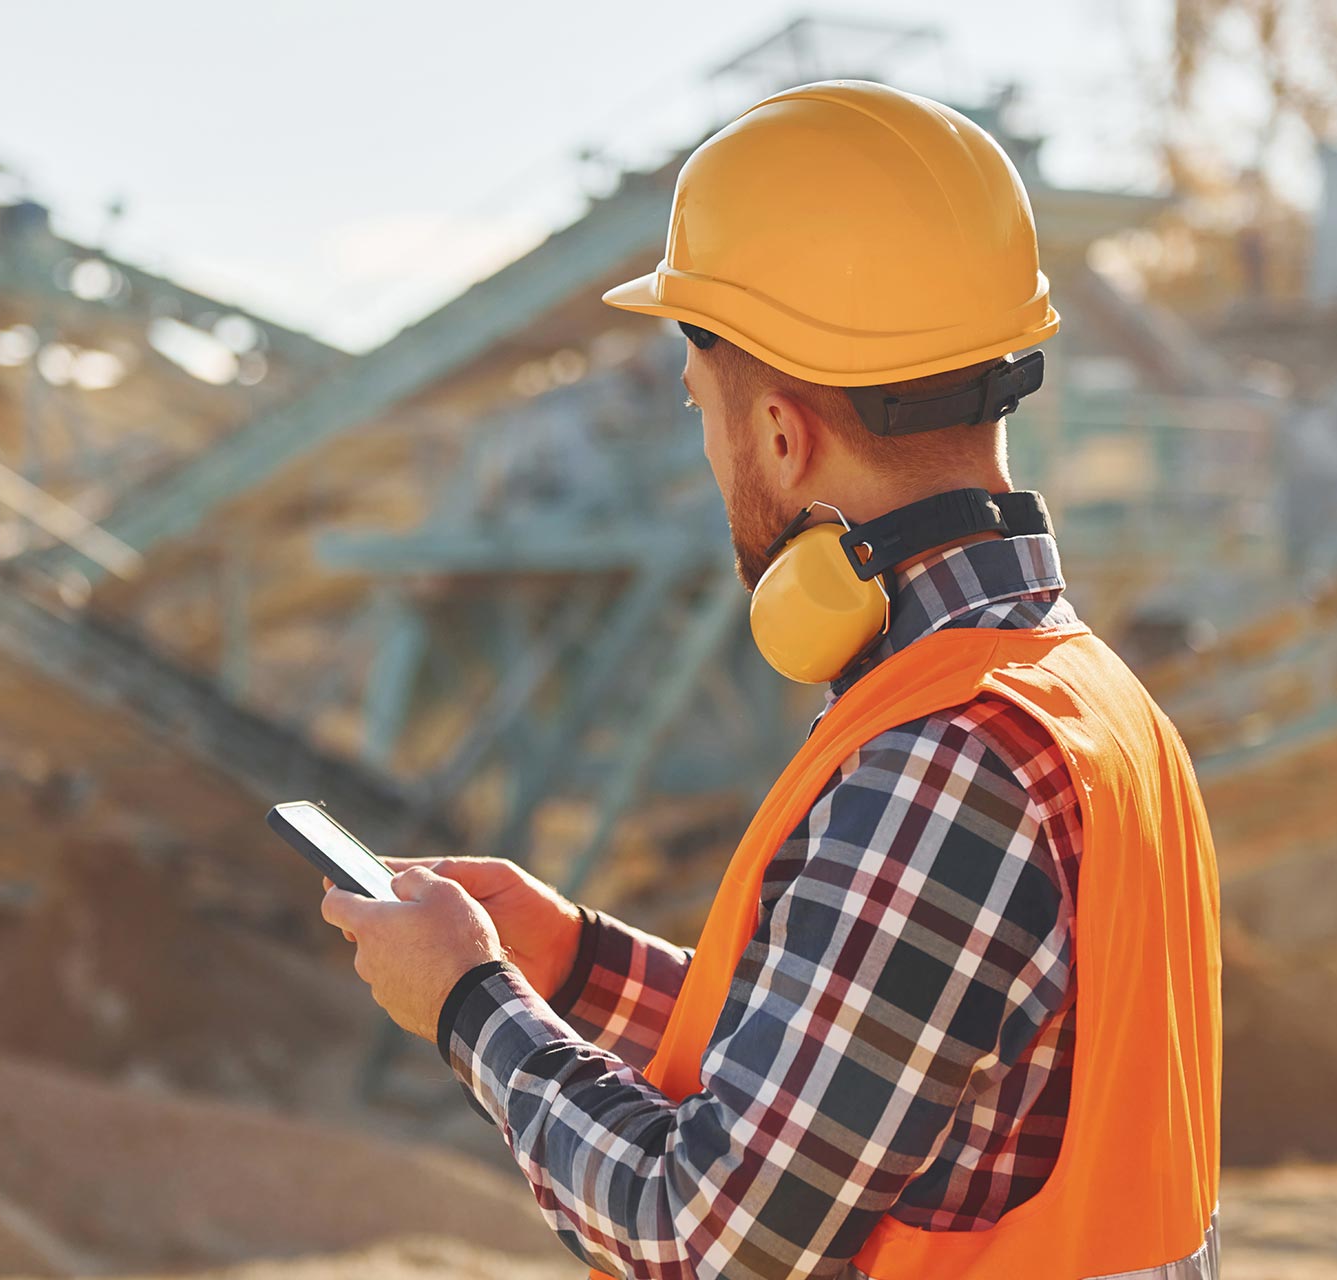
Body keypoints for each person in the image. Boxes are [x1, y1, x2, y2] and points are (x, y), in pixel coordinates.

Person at [322, 81, 1221, 1280]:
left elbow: (704, 1233)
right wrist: (582, 964)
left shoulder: (948, 756)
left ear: (785, 435)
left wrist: (468, 1000)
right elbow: (878, 1063)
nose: (709, 453)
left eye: (706, 412)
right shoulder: (1080, 699)